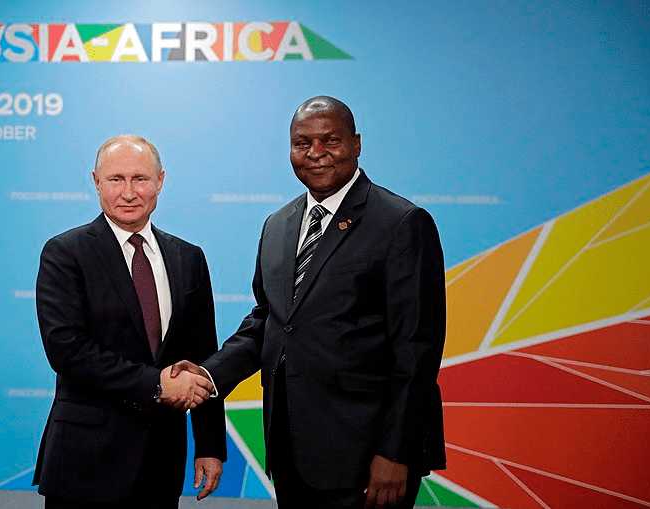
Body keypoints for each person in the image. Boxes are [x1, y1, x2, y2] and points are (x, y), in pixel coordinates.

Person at [169, 96, 447, 509]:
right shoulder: (278, 224)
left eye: (330, 140)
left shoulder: (401, 222)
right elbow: (270, 321)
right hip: (291, 451)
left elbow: (417, 349)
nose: (316, 153)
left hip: (368, 456)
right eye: (302, 143)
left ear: (356, 144)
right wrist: (210, 375)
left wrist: (396, 452)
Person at [32, 135, 226, 509]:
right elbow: (67, 351)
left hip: (161, 461)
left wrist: (210, 444)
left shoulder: (189, 258)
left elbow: (203, 357)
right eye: (116, 179)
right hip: (85, 462)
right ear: (96, 182)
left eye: (140, 178)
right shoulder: (65, 252)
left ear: (160, 181)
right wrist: (156, 384)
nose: (128, 192)